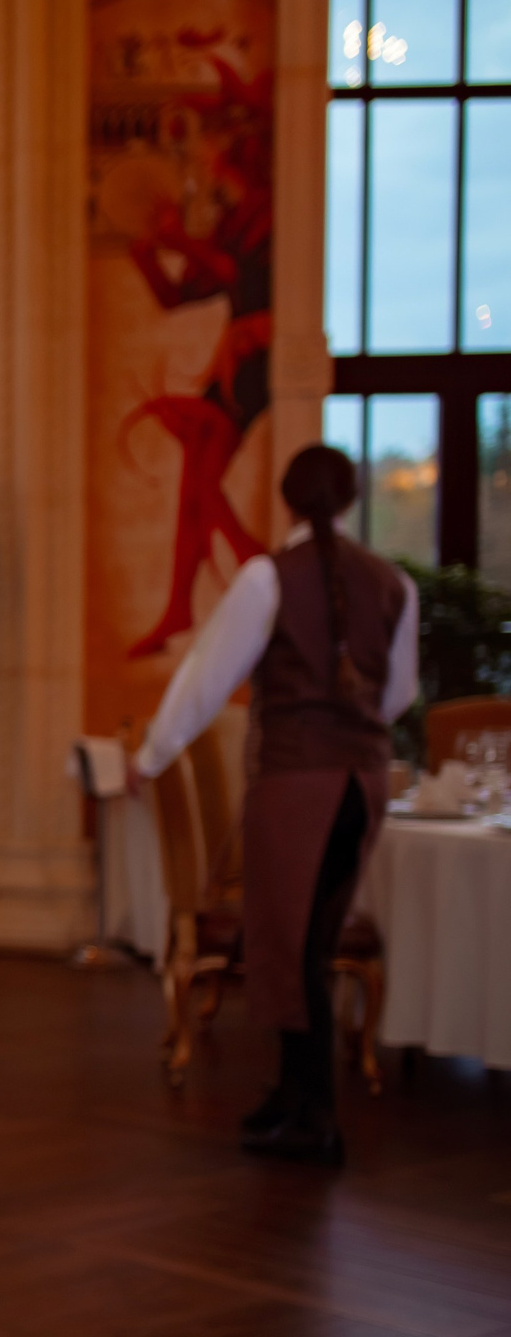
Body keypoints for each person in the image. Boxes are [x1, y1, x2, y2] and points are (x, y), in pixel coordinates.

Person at [130, 444, 417, 1166]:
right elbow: (397, 699)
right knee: (310, 945)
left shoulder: (267, 578)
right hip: (365, 784)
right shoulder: (394, 583)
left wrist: (150, 755)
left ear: (287, 500)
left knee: (288, 947)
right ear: (349, 500)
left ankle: (314, 1111)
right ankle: (293, 1093)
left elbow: (206, 675)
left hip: (297, 784)